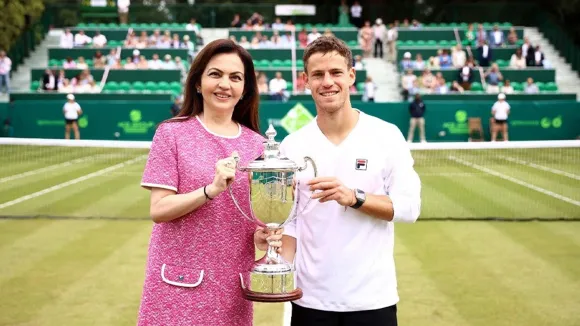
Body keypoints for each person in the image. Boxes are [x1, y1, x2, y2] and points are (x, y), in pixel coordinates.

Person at [137, 39, 281, 326]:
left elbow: (251, 222)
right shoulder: (171, 134)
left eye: (235, 77)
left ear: (245, 90)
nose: (225, 84)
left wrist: (262, 237)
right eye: (215, 74)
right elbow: (159, 209)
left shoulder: (260, 146)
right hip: (175, 288)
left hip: (232, 290)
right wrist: (210, 191)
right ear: (198, 83)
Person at [279, 36, 422, 326]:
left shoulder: (387, 135)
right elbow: (289, 222)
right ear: (305, 80)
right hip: (310, 300)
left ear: (351, 76)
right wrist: (278, 268)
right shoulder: (292, 145)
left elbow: (409, 208)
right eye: (318, 74)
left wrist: (355, 197)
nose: (327, 82)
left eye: (336, 72)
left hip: (372, 300)